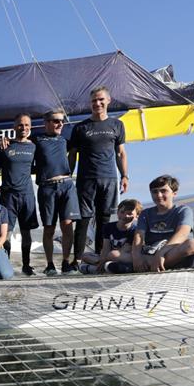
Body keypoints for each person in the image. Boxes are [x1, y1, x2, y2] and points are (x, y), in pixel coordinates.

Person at [68, 86, 129, 267]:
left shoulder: (117, 125)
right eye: (94, 100)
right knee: (83, 219)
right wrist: (68, 177)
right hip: (86, 179)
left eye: (101, 99)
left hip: (109, 178)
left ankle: (99, 258)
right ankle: (77, 260)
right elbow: (72, 155)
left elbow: (121, 154)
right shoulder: (80, 127)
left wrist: (125, 176)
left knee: (104, 219)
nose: (97, 103)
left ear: (108, 101)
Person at [34, 109, 81, 276]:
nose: (60, 124)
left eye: (61, 121)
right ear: (46, 123)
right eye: (55, 121)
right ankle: (50, 264)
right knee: (49, 228)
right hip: (47, 187)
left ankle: (66, 262)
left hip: (67, 185)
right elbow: (20, 144)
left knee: (68, 226)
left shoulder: (65, 140)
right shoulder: (36, 140)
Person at [0, 114, 39, 275]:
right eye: (20, 125)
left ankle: (26, 265)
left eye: (27, 125)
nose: (24, 128)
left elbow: (39, 167)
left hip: (26, 195)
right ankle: (5, 264)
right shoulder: (5, 146)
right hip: (8, 197)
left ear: (30, 127)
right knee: (5, 234)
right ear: (14, 127)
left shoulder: (35, 147)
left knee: (27, 232)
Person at [132, 175, 194, 273]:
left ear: (174, 193)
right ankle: (166, 264)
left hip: (172, 250)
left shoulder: (183, 210)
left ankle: (146, 265)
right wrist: (136, 256)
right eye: (154, 192)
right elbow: (139, 236)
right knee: (114, 255)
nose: (159, 195)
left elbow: (182, 233)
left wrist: (161, 253)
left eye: (163, 191)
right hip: (151, 251)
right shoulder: (145, 213)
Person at [79, 198, 140, 274]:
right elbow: (105, 248)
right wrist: (102, 260)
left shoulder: (135, 231)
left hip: (124, 257)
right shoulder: (108, 227)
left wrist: (104, 260)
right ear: (117, 212)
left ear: (137, 215)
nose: (125, 216)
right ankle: (103, 268)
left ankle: (95, 268)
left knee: (113, 256)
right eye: (122, 212)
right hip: (109, 257)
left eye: (129, 213)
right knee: (85, 255)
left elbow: (123, 251)